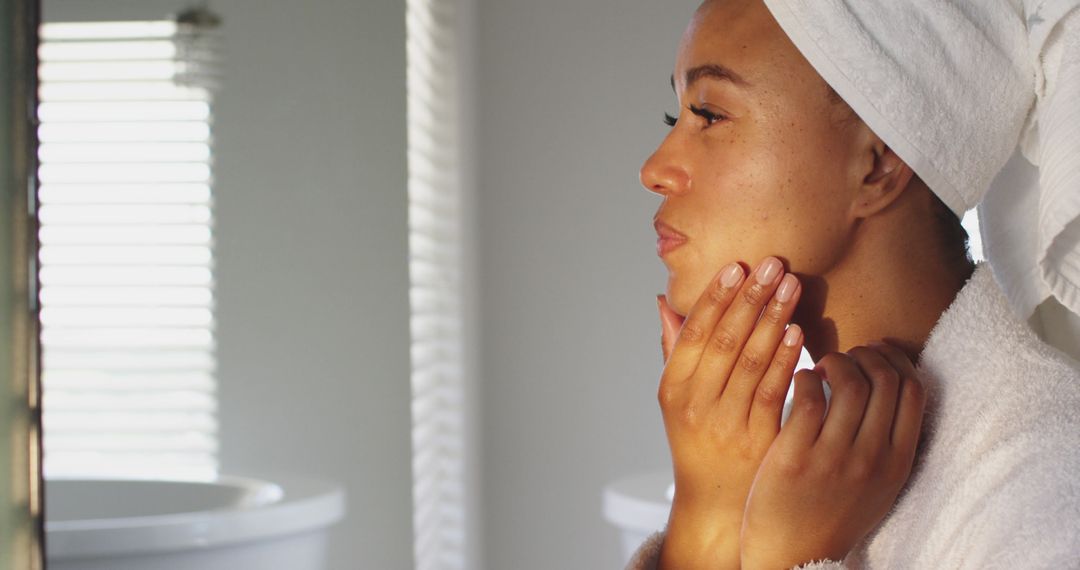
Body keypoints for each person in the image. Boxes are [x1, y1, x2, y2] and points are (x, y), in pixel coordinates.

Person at [629, 0, 1080, 568]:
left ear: (878, 163)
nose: (654, 169)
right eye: (676, 119)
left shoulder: (1043, 497)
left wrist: (780, 557)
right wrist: (707, 516)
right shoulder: (775, 454)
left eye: (709, 114)